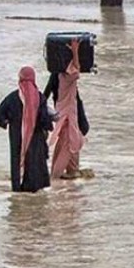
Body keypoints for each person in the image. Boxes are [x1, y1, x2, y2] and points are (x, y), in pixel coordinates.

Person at [0, 66, 54, 192]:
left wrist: (7, 122)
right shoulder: (39, 98)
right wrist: (49, 126)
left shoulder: (12, 97)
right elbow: (44, 119)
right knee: (34, 161)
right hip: (35, 135)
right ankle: (32, 190)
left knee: (16, 159)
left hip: (16, 135)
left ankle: (17, 189)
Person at [47, 40, 87, 179]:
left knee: (67, 144)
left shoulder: (59, 76)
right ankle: (55, 177)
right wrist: (75, 51)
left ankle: (71, 171)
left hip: (62, 114)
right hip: (68, 116)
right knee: (68, 145)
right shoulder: (67, 78)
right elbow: (76, 69)